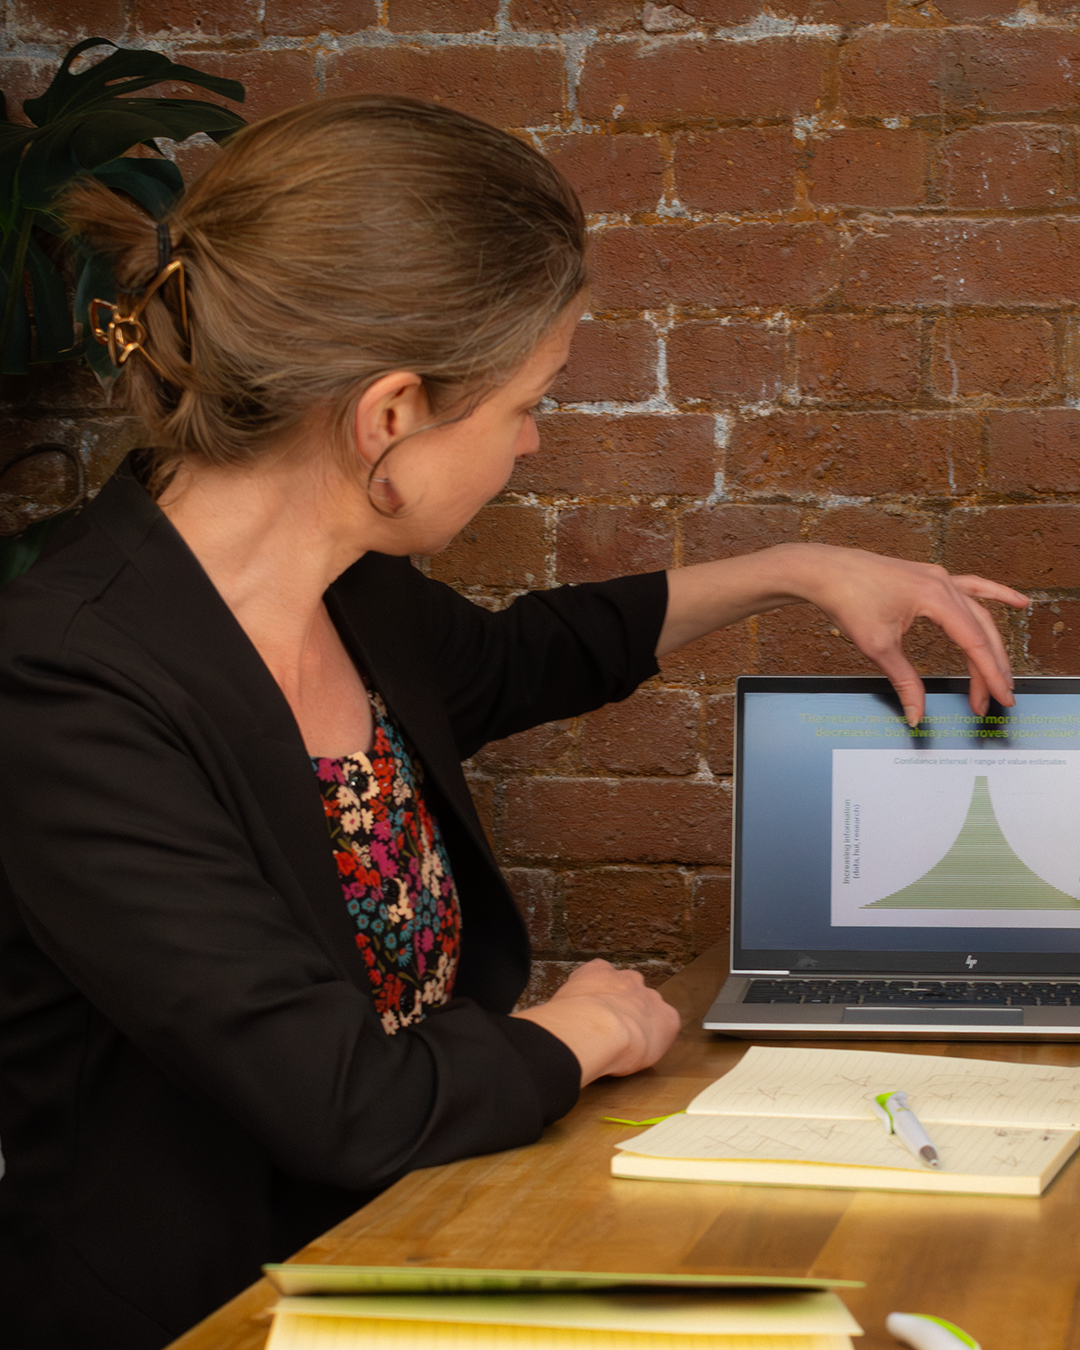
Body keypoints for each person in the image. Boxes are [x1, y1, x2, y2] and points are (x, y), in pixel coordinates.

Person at [0, 95, 1027, 1350]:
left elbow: (521, 658)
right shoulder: (66, 683)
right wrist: (573, 1032)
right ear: (390, 416)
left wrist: (799, 570)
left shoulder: (350, 590)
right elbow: (341, 1099)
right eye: (528, 403)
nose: (534, 443)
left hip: (423, 1230)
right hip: (213, 1310)